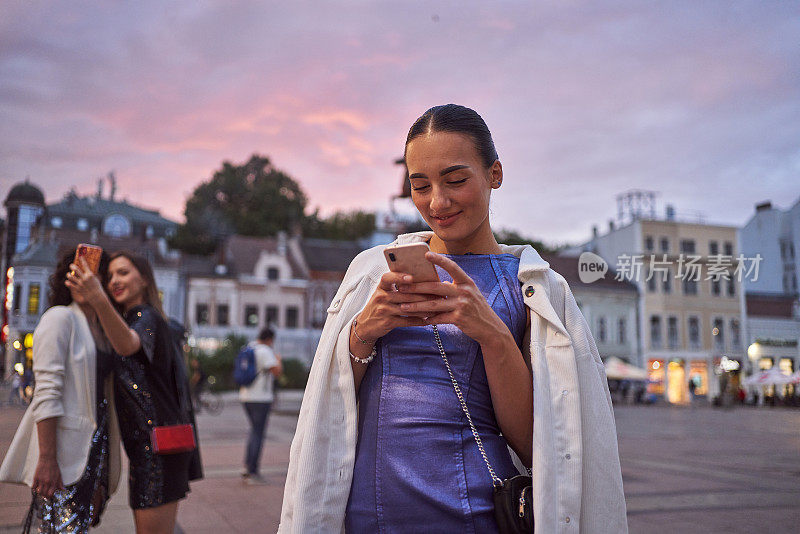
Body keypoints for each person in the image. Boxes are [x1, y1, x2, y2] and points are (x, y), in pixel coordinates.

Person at [280, 104, 627, 533]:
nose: (437, 202)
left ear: (494, 174)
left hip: (476, 513)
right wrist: (360, 335)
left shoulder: (533, 288)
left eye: (456, 180)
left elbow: (540, 444)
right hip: (367, 511)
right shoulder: (372, 272)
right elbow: (328, 405)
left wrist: (494, 336)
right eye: (420, 186)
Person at [66, 251, 201, 534]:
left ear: (144, 280)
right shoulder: (128, 319)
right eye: (111, 275)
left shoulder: (146, 315)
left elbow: (128, 345)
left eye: (124, 273)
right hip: (148, 450)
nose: (115, 280)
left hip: (158, 452)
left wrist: (97, 297)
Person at [0, 251, 121, 532]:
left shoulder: (103, 330)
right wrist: (46, 458)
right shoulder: (60, 318)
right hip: (65, 453)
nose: (82, 278)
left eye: (91, 273)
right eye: (75, 271)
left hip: (94, 450)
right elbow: (47, 392)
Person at [240, 327, 282, 485]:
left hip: (246, 396)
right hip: (261, 398)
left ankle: (247, 466)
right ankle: (252, 471)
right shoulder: (265, 351)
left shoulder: (248, 347)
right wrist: (278, 360)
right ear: (270, 339)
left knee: (253, 431)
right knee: (258, 433)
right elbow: (277, 372)